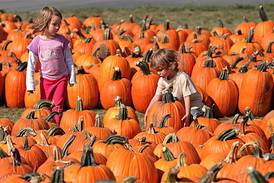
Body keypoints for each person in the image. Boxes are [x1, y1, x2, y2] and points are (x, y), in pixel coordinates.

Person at [26, 6, 76, 126]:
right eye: (54, 24)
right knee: (45, 106)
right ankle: (47, 126)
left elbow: (69, 60)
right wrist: (30, 84)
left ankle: (56, 128)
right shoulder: (37, 41)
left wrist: (72, 77)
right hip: (45, 80)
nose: (58, 27)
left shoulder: (62, 41)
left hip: (61, 79)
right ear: (45, 23)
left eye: (59, 24)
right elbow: (31, 64)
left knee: (58, 105)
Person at [144, 48, 204, 127]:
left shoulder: (182, 77)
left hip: (192, 106)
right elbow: (156, 97)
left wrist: (187, 113)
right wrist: (148, 111)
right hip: (180, 107)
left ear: (171, 65)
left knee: (192, 121)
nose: (158, 73)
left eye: (160, 70)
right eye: (157, 70)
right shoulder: (162, 80)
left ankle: (202, 112)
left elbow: (187, 97)